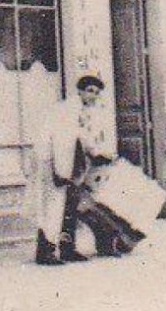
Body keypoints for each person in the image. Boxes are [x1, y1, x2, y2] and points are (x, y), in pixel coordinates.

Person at [36, 73, 117, 265]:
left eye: (97, 93)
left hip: (73, 166)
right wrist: (58, 171)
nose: (93, 96)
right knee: (52, 209)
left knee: (69, 208)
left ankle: (67, 249)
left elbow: (84, 138)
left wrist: (98, 153)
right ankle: (45, 252)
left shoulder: (84, 112)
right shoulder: (65, 110)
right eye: (89, 91)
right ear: (80, 90)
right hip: (54, 163)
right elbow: (57, 141)